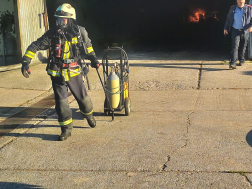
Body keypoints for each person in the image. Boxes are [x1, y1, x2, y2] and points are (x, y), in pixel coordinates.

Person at [21, 3, 100, 141]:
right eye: (58, 20)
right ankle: (66, 129)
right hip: (57, 74)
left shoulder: (80, 32)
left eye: (63, 20)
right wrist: (25, 62)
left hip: (74, 72)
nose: (60, 23)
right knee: (61, 104)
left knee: (83, 99)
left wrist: (93, 59)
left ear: (70, 20)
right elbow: (35, 45)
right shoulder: (52, 35)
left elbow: (89, 48)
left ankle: (89, 116)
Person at [224, 0, 252, 69]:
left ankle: (241, 59)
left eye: (242, 0)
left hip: (245, 30)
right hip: (235, 30)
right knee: (235, 46)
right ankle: (232, 63)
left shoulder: (249, 8)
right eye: (239, 0)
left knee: (243, 46)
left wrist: (251, 26)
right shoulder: (233, 8)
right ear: (237, 1)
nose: (240, 1)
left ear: (244, 1)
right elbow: (228, 18)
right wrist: (226, 28)